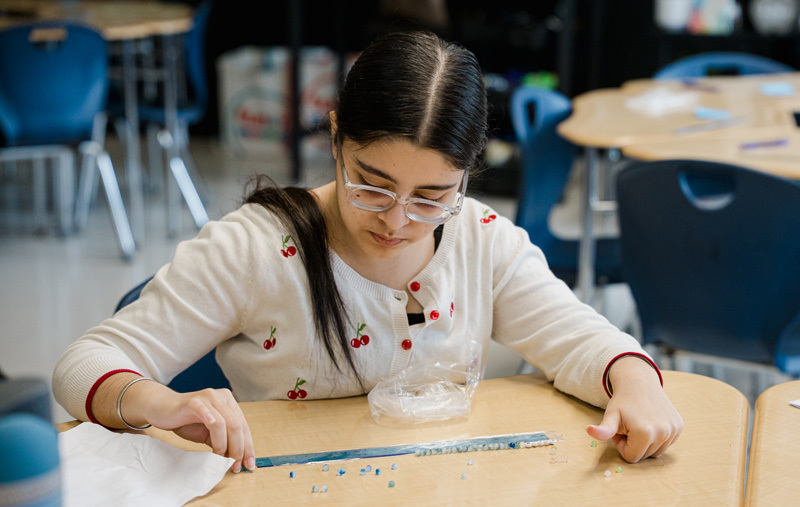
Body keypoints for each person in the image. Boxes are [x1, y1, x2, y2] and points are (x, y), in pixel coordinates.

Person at [52, 30, 682, 474]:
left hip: (443, 505)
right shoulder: (255, 248)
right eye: (372, 185)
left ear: (466, 179)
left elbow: (579, 338)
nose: (399, 221)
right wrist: (162, 403)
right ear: (335, 138)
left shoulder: (481, 239)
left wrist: (635, 381)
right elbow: (85, 362)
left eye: (433, 195)